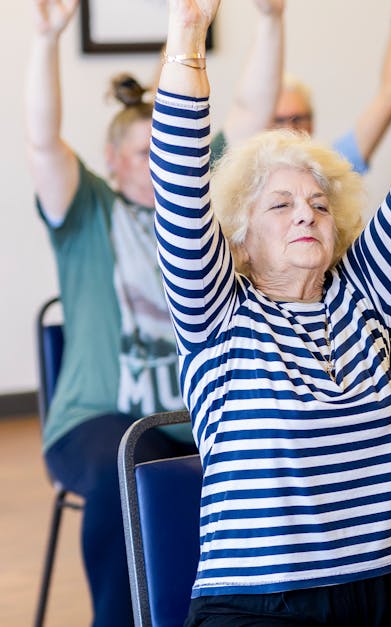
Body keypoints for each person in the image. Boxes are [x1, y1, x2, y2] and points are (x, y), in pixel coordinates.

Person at [150, 0, 391, 623]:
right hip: (258, 607)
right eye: (280, 205)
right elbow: (177, 182)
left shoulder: (365, 300)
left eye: (318, 204)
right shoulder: (217, 317)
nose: (306, 212)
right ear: (238, 237)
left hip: (389, 596)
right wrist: (187, 39)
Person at [25, 0, 283, 623]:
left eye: (161, 149)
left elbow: (252, 115)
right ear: (112, 160)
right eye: (142, 152)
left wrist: (272, 20)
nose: (156, 162)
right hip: (99, 420)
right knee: (131, 465)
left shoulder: (201, 210)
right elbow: (41, 141)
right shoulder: (86, 210)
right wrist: (45, 41)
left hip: (193, 415)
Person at [266, 0, 391, 543]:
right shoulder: (243, 184)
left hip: (339, 330)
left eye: (299, 117)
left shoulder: (327, 167)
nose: (291, 127)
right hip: (267, 349)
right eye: (279, 119)